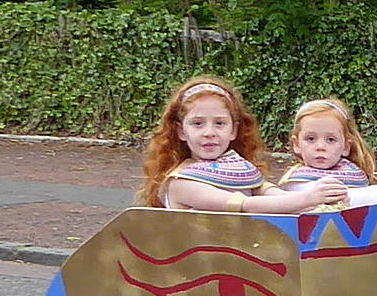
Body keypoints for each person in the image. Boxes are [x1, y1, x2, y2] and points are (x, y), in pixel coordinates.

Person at [139, 77, 345, 213]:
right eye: (197, 124)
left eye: (219, 123)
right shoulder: (182, 183)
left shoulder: (239, 170)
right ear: (181, 131)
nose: (209, 132)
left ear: (233, 130)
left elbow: (275, 196)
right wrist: (307, 198)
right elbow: (247, 206)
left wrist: (318, 202)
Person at [277, 97, 377, 208]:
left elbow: (366, 196)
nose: (320, 146)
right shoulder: (297, 181)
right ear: (296, 145)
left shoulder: (350, 170)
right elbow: (345, 198)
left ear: (346, 146)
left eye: (330, 140)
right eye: (310, 139)